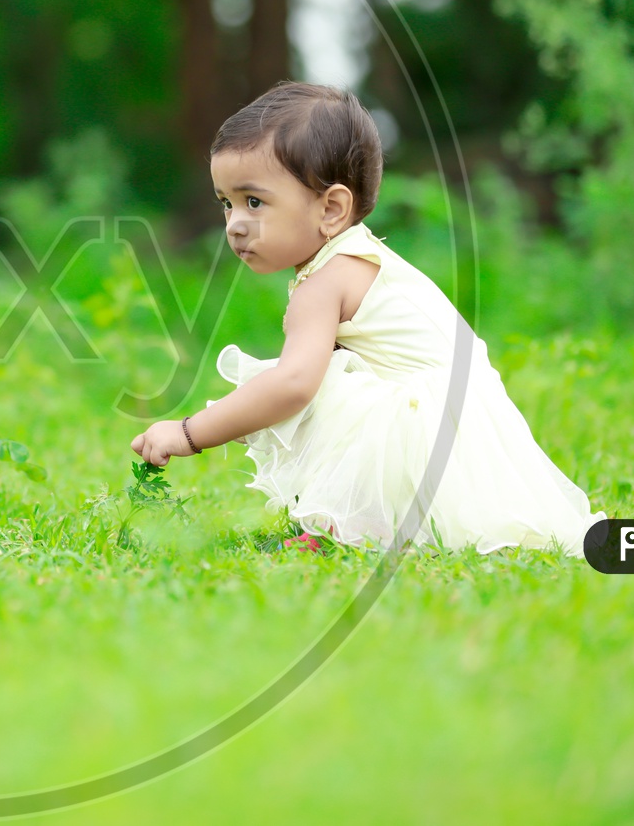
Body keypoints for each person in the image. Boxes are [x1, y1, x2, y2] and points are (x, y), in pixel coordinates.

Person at [130, 81, 605, 558]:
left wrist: (189, 432)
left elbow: (293, 386)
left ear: (332, 209)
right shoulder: (358, 258)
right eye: (225, 202)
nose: (234, 222)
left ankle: (346, 527)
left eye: (254, 201)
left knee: (319, 385)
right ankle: (356, 522)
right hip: (466, 430)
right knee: (336, 377)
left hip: (429, 431)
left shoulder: (325, 282)